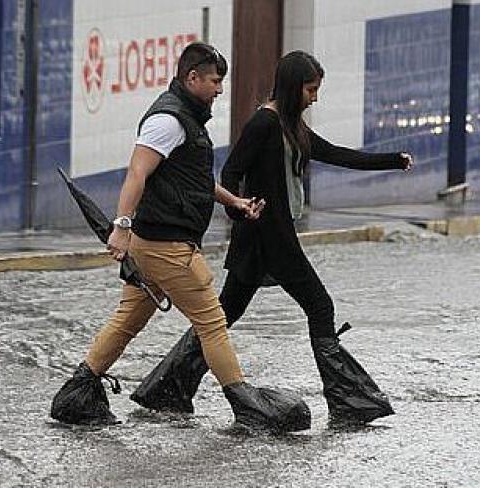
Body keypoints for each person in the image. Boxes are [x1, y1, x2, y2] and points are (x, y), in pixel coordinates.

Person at [133, 51, 413, 427]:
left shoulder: (290, 125)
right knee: (320, 306)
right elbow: (231, 172)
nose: (315, 97)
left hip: (269, 235)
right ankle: (350, 401)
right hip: (268, 236)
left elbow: (336, 154)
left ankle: (165, 389)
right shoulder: (263, 123)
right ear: (292, 86)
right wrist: (239, 209)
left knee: (224, 314)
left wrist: (393, 160)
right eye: (311, 89)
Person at [50, 42, 310, 433]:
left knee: (127, 322)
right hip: (166, 246)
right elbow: (137, 173)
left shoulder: (185, 119)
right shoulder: (167, 121)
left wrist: (235, 202)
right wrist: (121, 226)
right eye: (214, 81)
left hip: (152, 245)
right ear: (192, 78)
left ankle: (78, 393)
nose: (220, 90)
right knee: (212, 321)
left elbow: (193, 178)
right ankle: (247, 405)